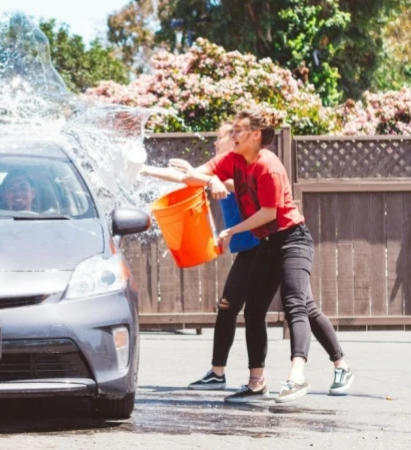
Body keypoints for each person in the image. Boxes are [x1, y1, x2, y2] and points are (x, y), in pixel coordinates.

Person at [142, 123, 352, 402]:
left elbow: (265, 210)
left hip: (290, 239)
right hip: (264, 244)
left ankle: (301, 375)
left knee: (296, 305)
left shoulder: (263, 166)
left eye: (231, 137)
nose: (225, 143)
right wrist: (145, 170)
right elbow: (193, 177)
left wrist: (227, 220)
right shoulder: (231, 163)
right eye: (223, 139)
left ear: (253, 138)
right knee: (257, 310)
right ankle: (256, 381)